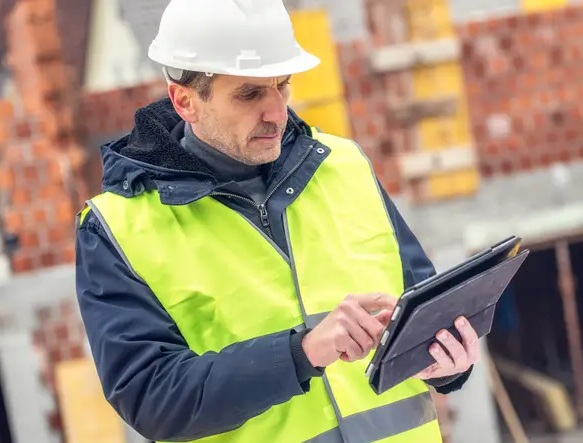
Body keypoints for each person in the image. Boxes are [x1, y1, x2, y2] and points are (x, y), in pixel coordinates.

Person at [74, 1, 480, 442]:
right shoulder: (116, 229)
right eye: (249, 94)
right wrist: (301, 352)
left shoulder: (345, 166)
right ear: (185, 101)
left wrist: (445, 363)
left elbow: (421, 309)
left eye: (281, 87)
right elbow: (152, 400)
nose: (277, 113)